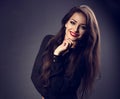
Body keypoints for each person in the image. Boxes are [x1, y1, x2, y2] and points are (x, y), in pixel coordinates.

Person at [31, 5, 100, 99]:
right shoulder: (48, 41)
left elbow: (58, 90)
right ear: (66, 23)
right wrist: (49, 96)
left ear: (87, 32)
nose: (75, 29)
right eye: (73, 23)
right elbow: (35, 76)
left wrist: (57, 55)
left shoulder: (84, 57)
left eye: (82, 27)